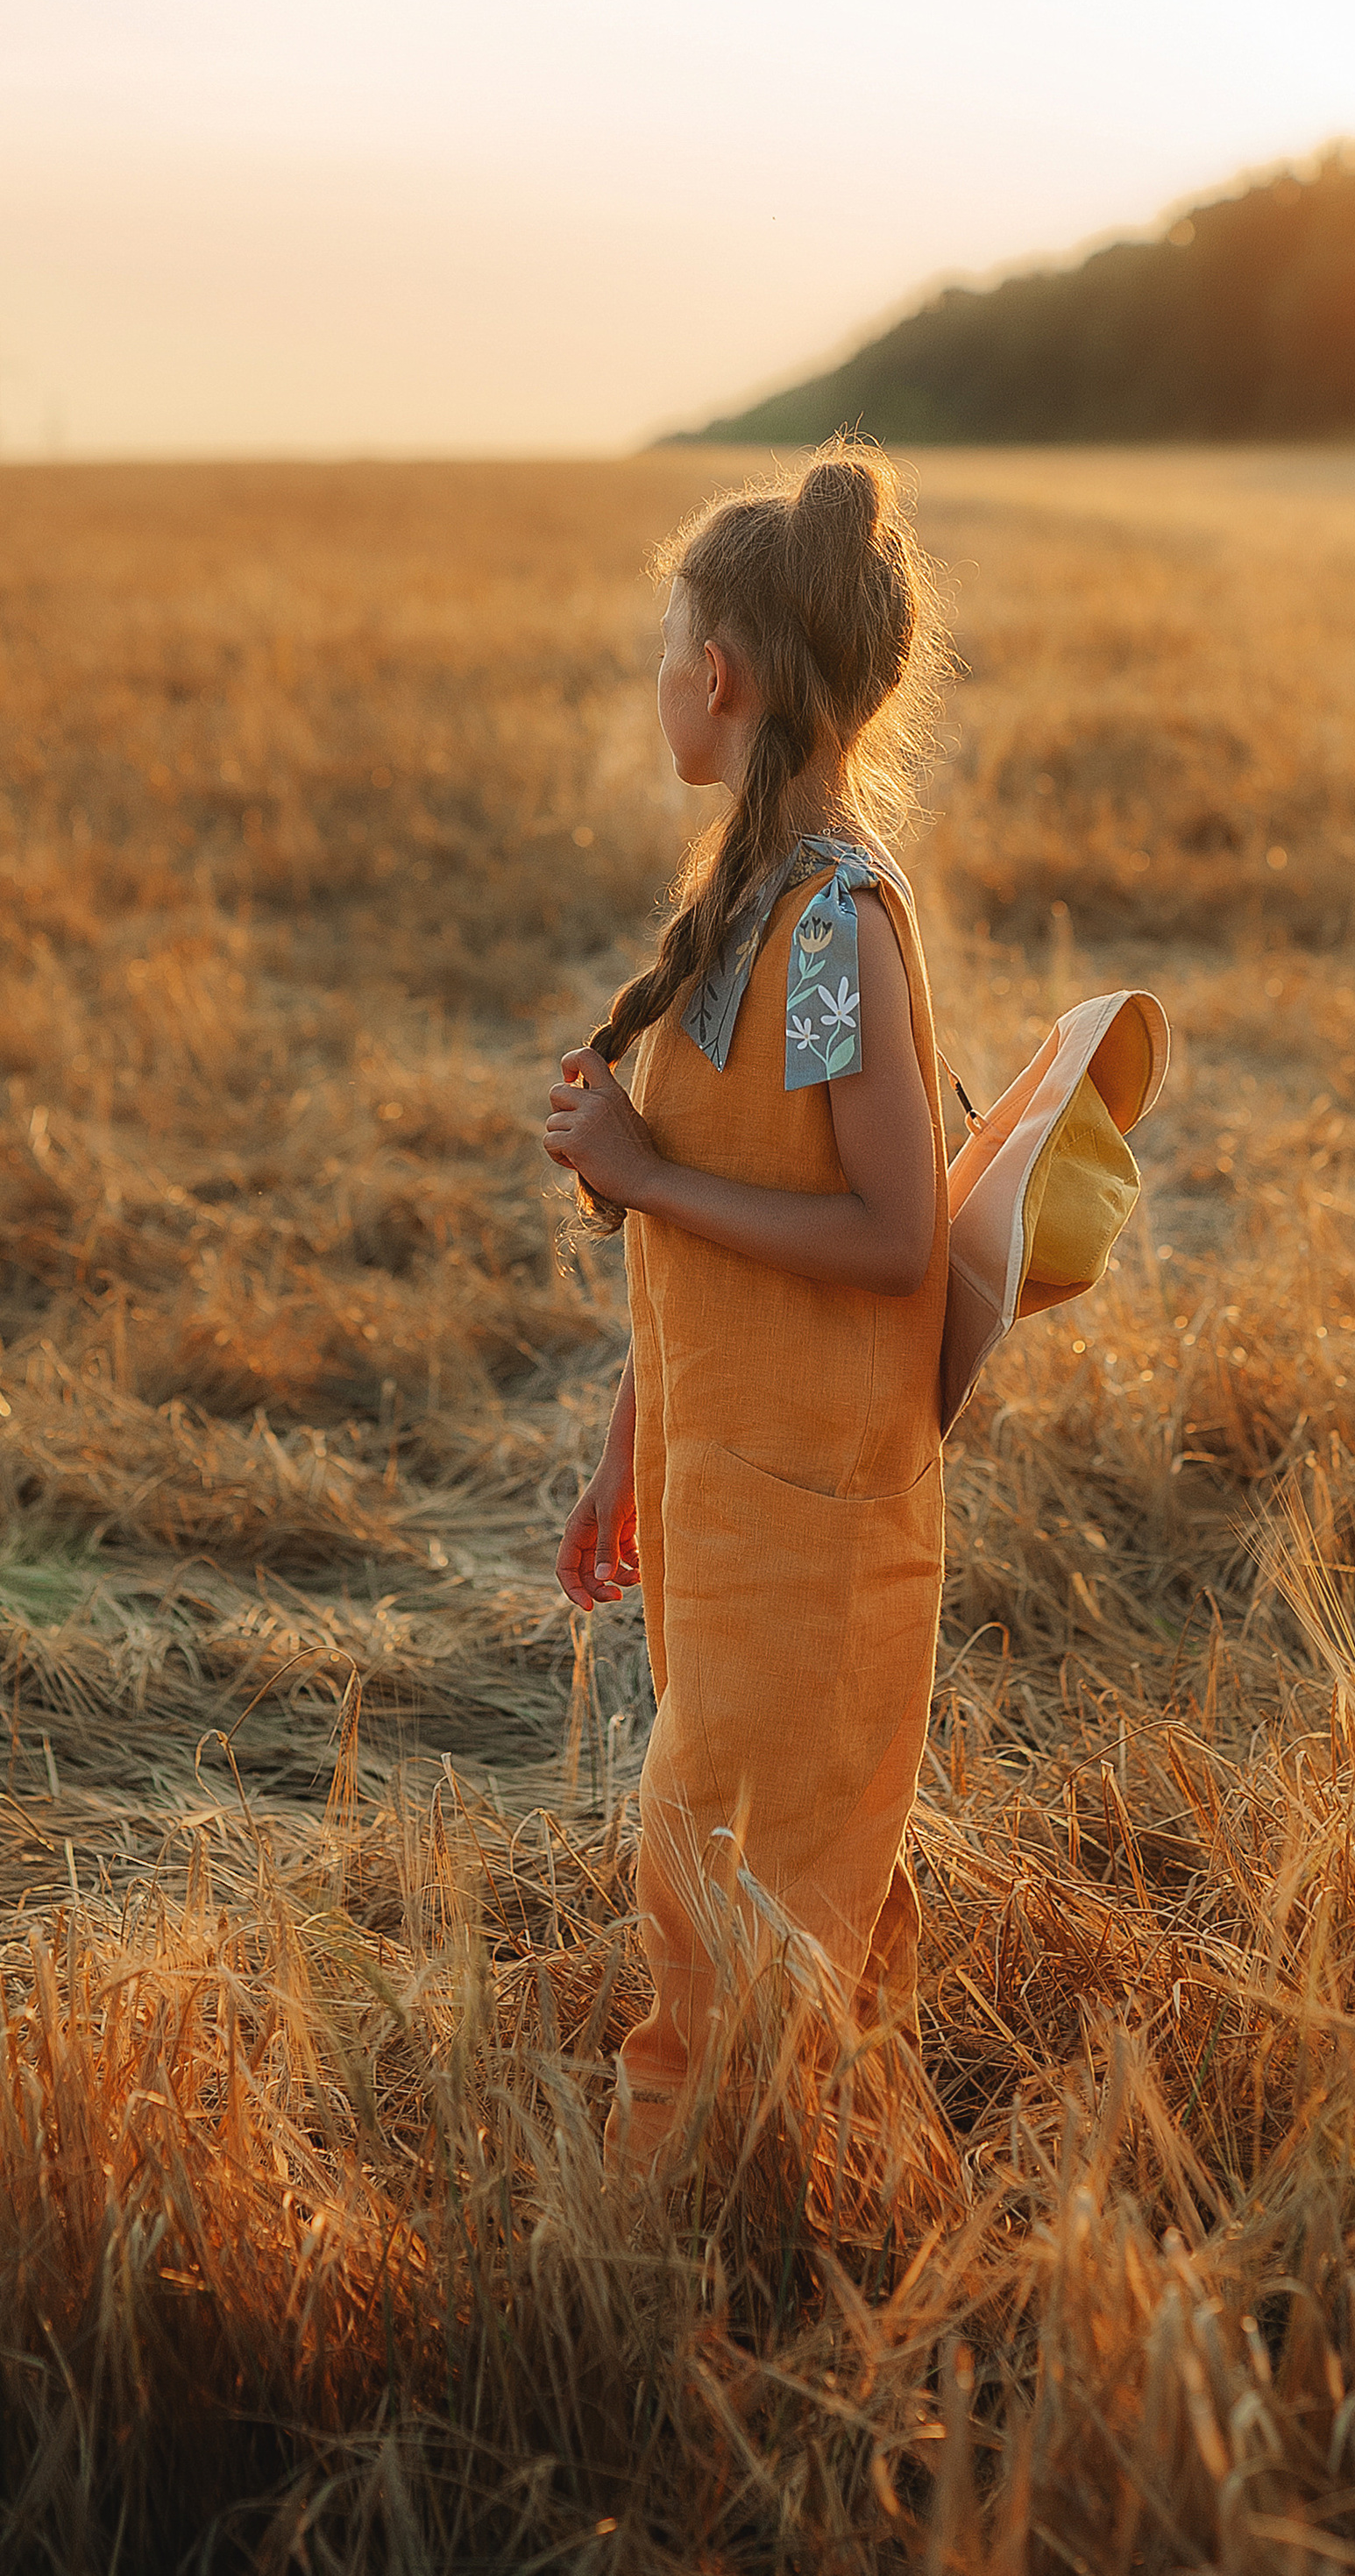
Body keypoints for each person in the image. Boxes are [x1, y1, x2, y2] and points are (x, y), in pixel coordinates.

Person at [544, 441, 952, 2176]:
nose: (658, 680)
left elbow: (884, 1232)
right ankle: (834, 2211)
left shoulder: (831, 934)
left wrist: (639, 1170)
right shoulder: (734, 914)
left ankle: (650, 2269)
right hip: (728, 1500)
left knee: (728, 1907)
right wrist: (625, 1454)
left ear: (715, 677)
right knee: (775, 1889)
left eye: (666, 646)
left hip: (815, 1514)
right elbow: (711, 1250)